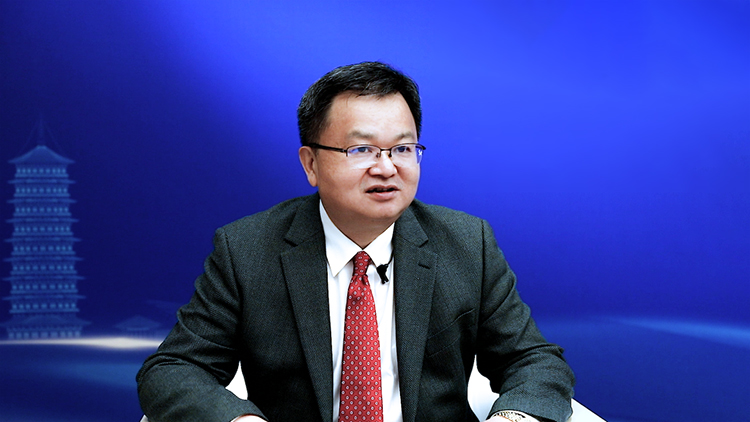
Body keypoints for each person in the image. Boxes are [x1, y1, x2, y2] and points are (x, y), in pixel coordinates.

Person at [137, 61, 575, 422]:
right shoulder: (247, 250)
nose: (386, 168)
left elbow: (533, 362)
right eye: (361, 150)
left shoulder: (466, 243)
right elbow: (174, 369)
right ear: (311, 164)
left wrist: (512, 419)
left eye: (402, 149)